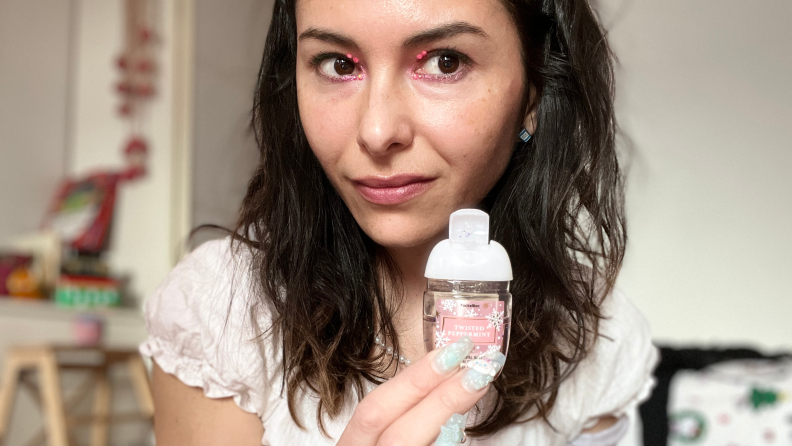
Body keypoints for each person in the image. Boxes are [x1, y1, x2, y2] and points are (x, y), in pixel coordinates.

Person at [140, 0, 659, 444]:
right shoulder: (220, 315)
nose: (377, 129)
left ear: (534, 94)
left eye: (445, 61)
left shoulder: (596, 337)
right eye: (338, 65)